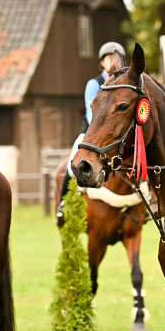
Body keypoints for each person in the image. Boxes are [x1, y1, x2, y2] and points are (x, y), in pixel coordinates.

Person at [56, 41, 126, 225]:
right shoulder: (94, 83)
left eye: (115, 58)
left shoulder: (123, 85)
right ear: (102, 62)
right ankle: (62, 204)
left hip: (114, 134)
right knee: (73, 163)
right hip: (90, 131)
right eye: (108, 58)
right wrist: (100, 128)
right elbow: (90, 111)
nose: (111, 61)